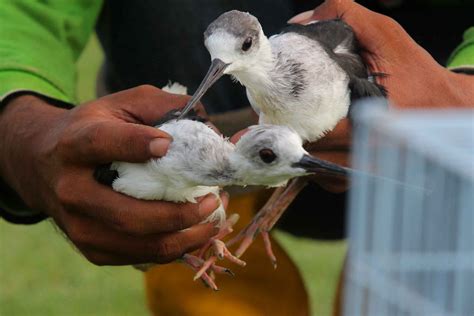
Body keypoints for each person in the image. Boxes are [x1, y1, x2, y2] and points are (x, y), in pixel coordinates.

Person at [1, 0, 473, 315]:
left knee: (418, 279)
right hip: (220, 156)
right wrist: (22, 128)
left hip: (419, 104)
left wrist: (463, 99)